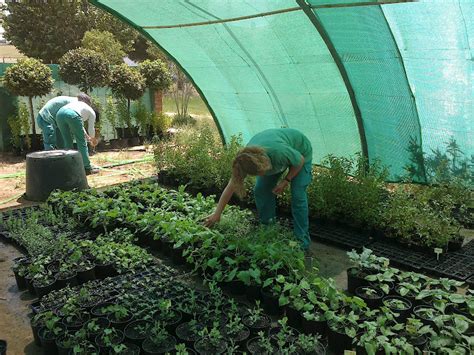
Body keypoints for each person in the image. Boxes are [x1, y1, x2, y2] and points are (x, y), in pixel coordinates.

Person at [204, 128, 313, 250]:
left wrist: (286, 180)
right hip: (277, 154)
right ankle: (268, 228)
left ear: (264, 162)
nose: (261, 175)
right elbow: (231, 187)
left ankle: (302, 240)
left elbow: (300, 161)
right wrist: (217, 214)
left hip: (300, 152)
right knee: (261, 190)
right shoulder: (244, 161)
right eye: (258, 173)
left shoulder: (278, 152)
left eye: (262, 172)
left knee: (298, 195)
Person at [56, 99, 99, 175]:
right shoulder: (92, 112)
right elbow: (91, 128)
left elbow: (80, 127)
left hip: (59, 114)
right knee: (81, 142)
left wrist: (88, 137)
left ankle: (70, 166)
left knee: (67, 141)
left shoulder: (80, 107)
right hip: (72, 114)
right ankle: (87, 168)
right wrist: (93, 139)